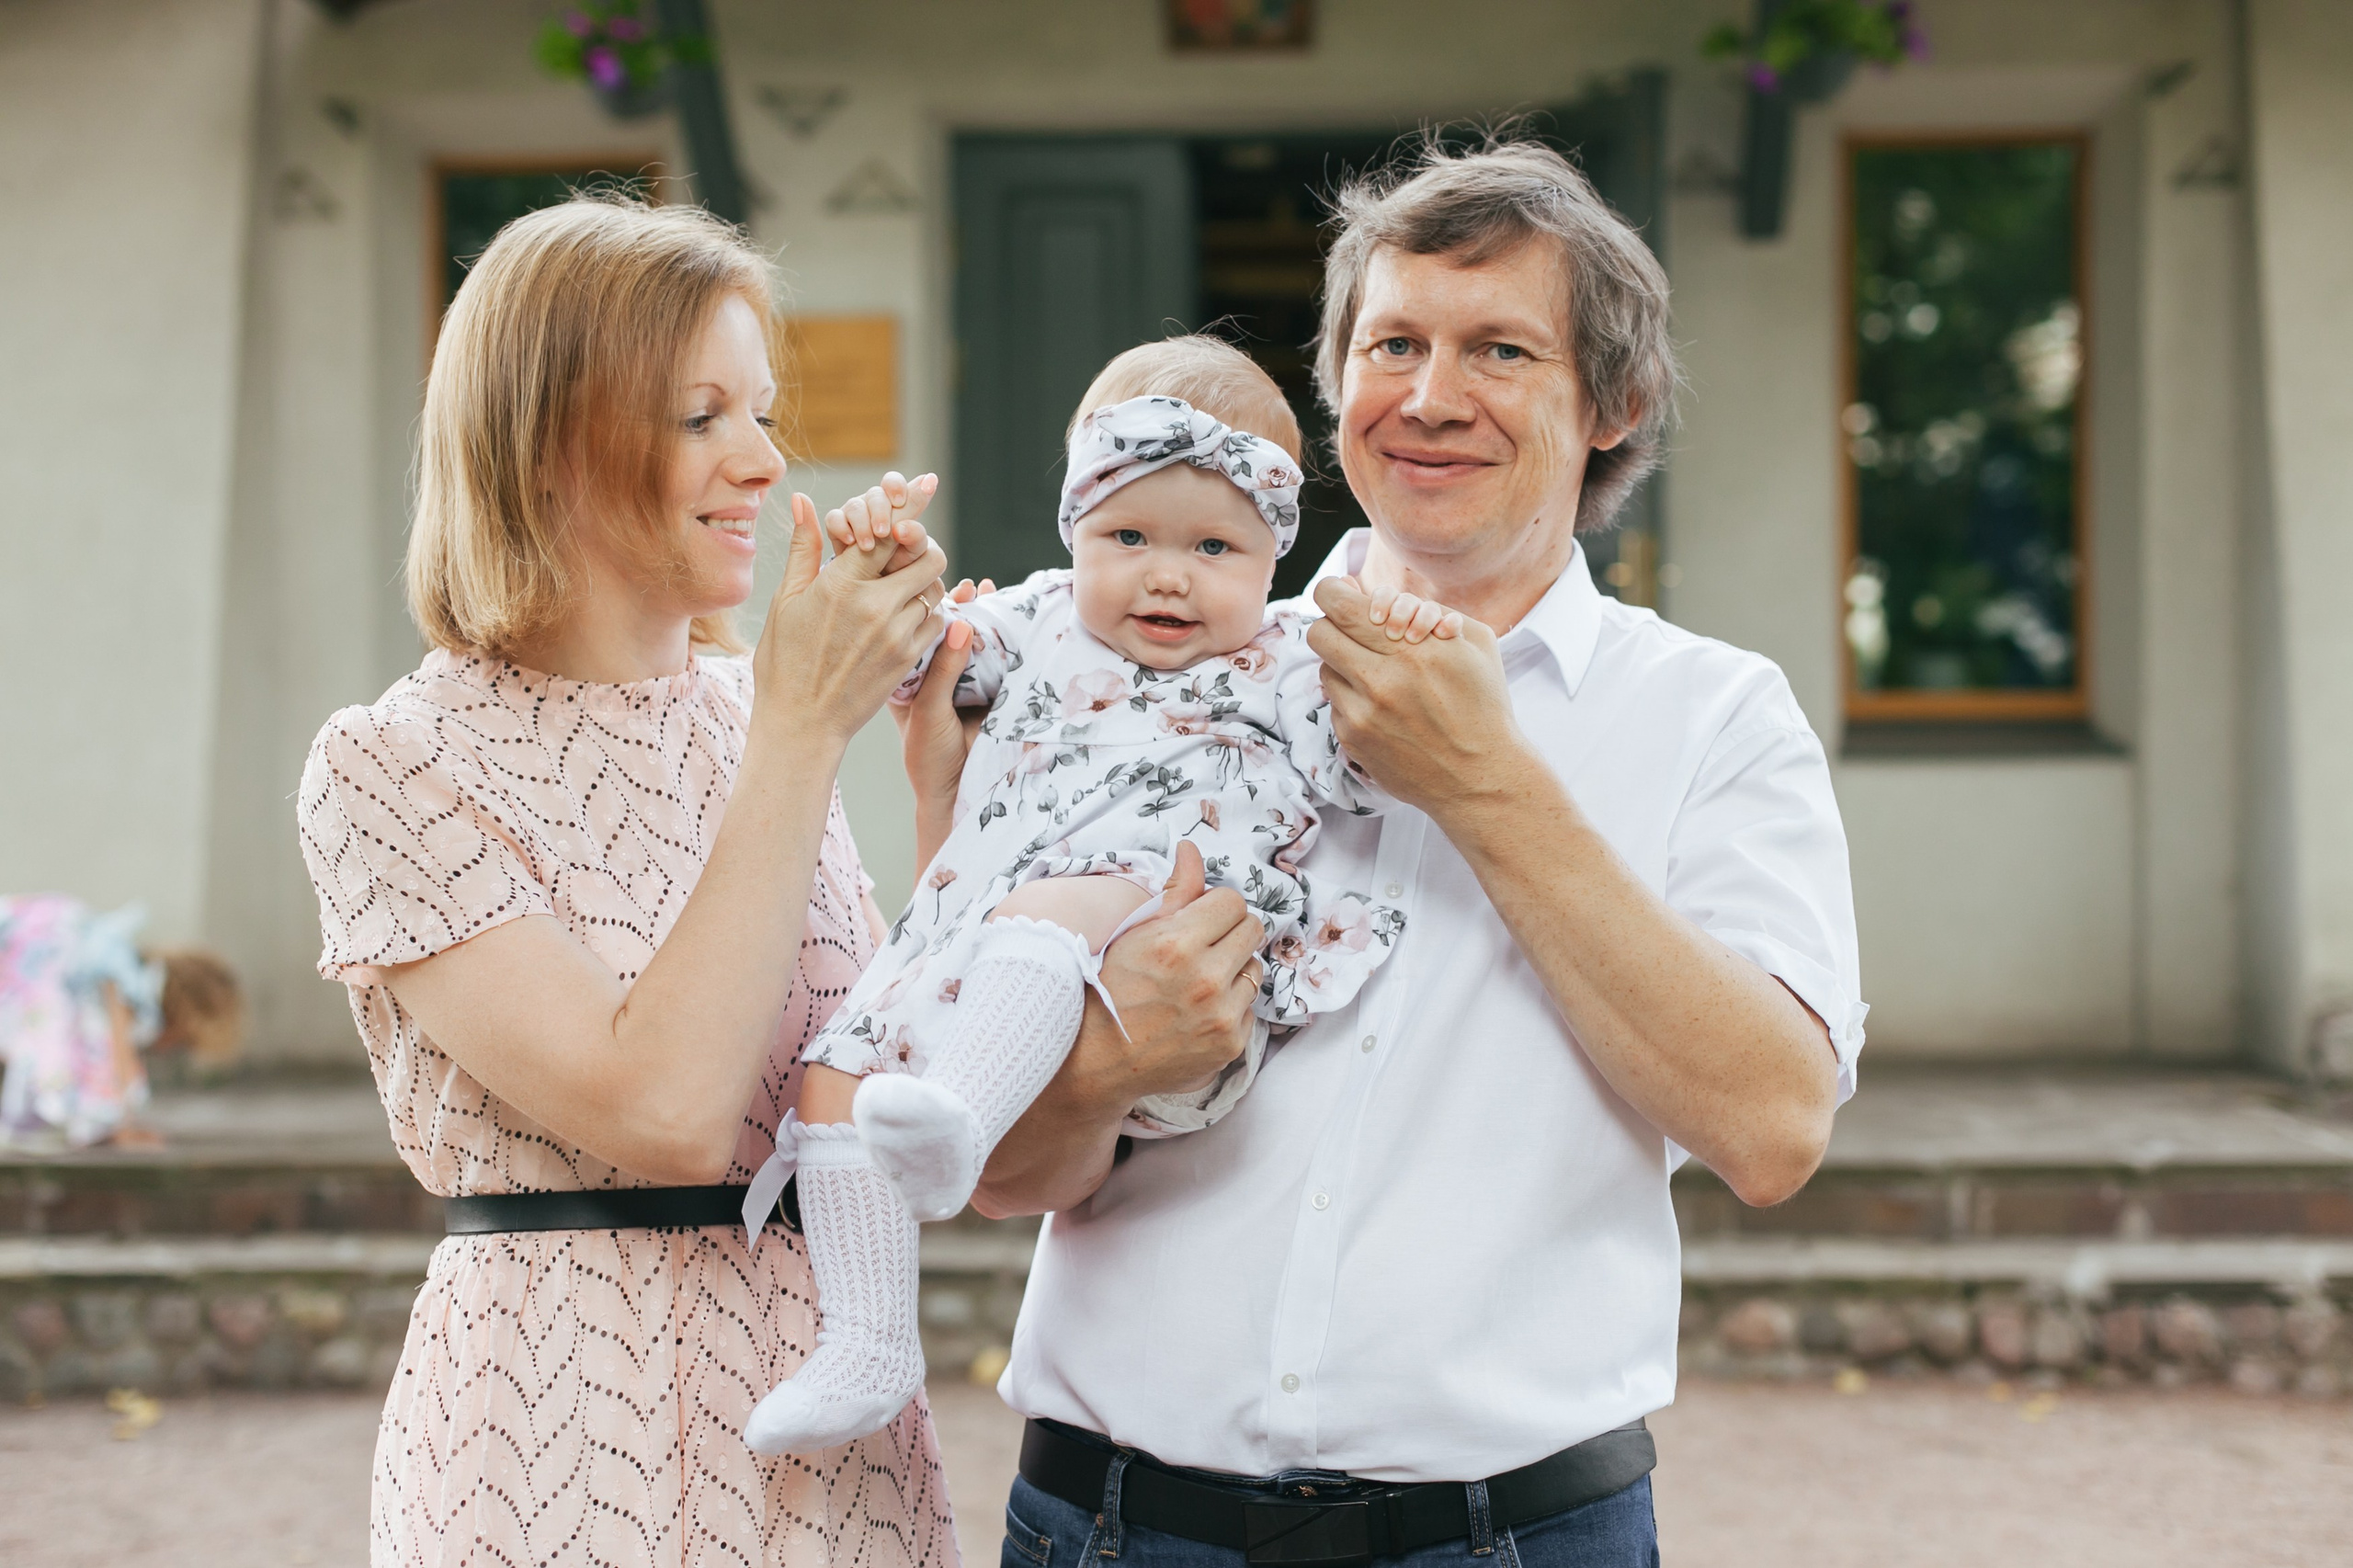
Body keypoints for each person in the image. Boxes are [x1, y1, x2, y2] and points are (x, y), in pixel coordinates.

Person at [900, 138, 1868, 1567]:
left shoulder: (1713, 715)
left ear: (1616, 401)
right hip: (1116, 1521)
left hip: (1516, 1537)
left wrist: (1482, 788)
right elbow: (998, 1167)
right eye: (1392, 342)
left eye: (1500, 351)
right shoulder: (1125, 672)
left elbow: (1774, 1127)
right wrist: (1109, 1062)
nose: (1428, 397)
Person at [295, 197, 958, 1567]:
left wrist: (947, 783)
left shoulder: (758, 715)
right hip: (554, 1439)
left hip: (835, 1444)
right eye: (700, 417)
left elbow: (902, 1073)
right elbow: (664, 1112)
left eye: (764, 415)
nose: (767, 462)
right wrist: (797, 727)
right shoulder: (392, 764)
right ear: (547, 443)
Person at [747, 340, 1461, 1456]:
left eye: (1213, 546)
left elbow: (1366, 769)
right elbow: (925, 669)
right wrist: (884, 569)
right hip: (980, 930)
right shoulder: (1039, 618)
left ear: (1274, 558)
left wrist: (1406, 647)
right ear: (1075, 532)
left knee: (1063, 907)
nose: (1166, 574)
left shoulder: (1284, 662)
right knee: (838, 1064)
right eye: (1128, 537)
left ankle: (965, 1120)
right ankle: (867, 1341)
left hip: (1163, 946)